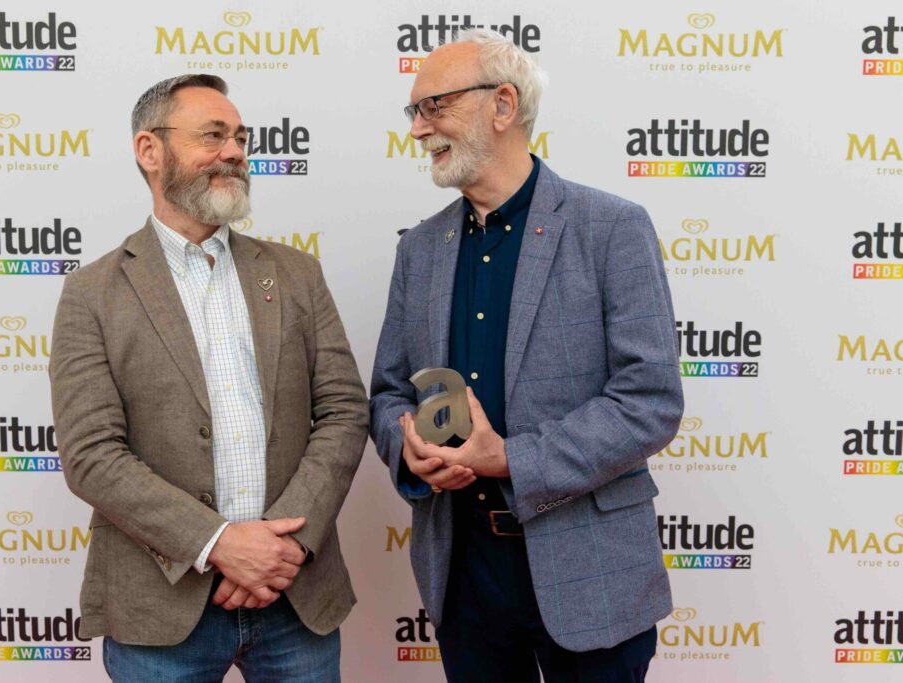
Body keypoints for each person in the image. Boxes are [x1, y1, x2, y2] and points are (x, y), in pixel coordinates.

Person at [370, 30, 683, 683]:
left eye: (435, 106)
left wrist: (511, 457)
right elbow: (389, 393)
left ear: (503, 106)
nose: (419, 130)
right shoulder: (419, 251)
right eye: (414, 112)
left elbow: (648, 401)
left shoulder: (612, 228)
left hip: (592, 575)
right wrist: (409, 449)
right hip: (465, 577)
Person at [49, 74, 368, 682]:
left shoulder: (296, 274)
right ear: (150, 151)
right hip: (159, 610)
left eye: (240, 137)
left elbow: (344, 413)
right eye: (213, 135)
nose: (234, 152)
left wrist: (283, 551)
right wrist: (221, 544)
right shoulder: (92, 292)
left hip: (295, 599)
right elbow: (91, 455)